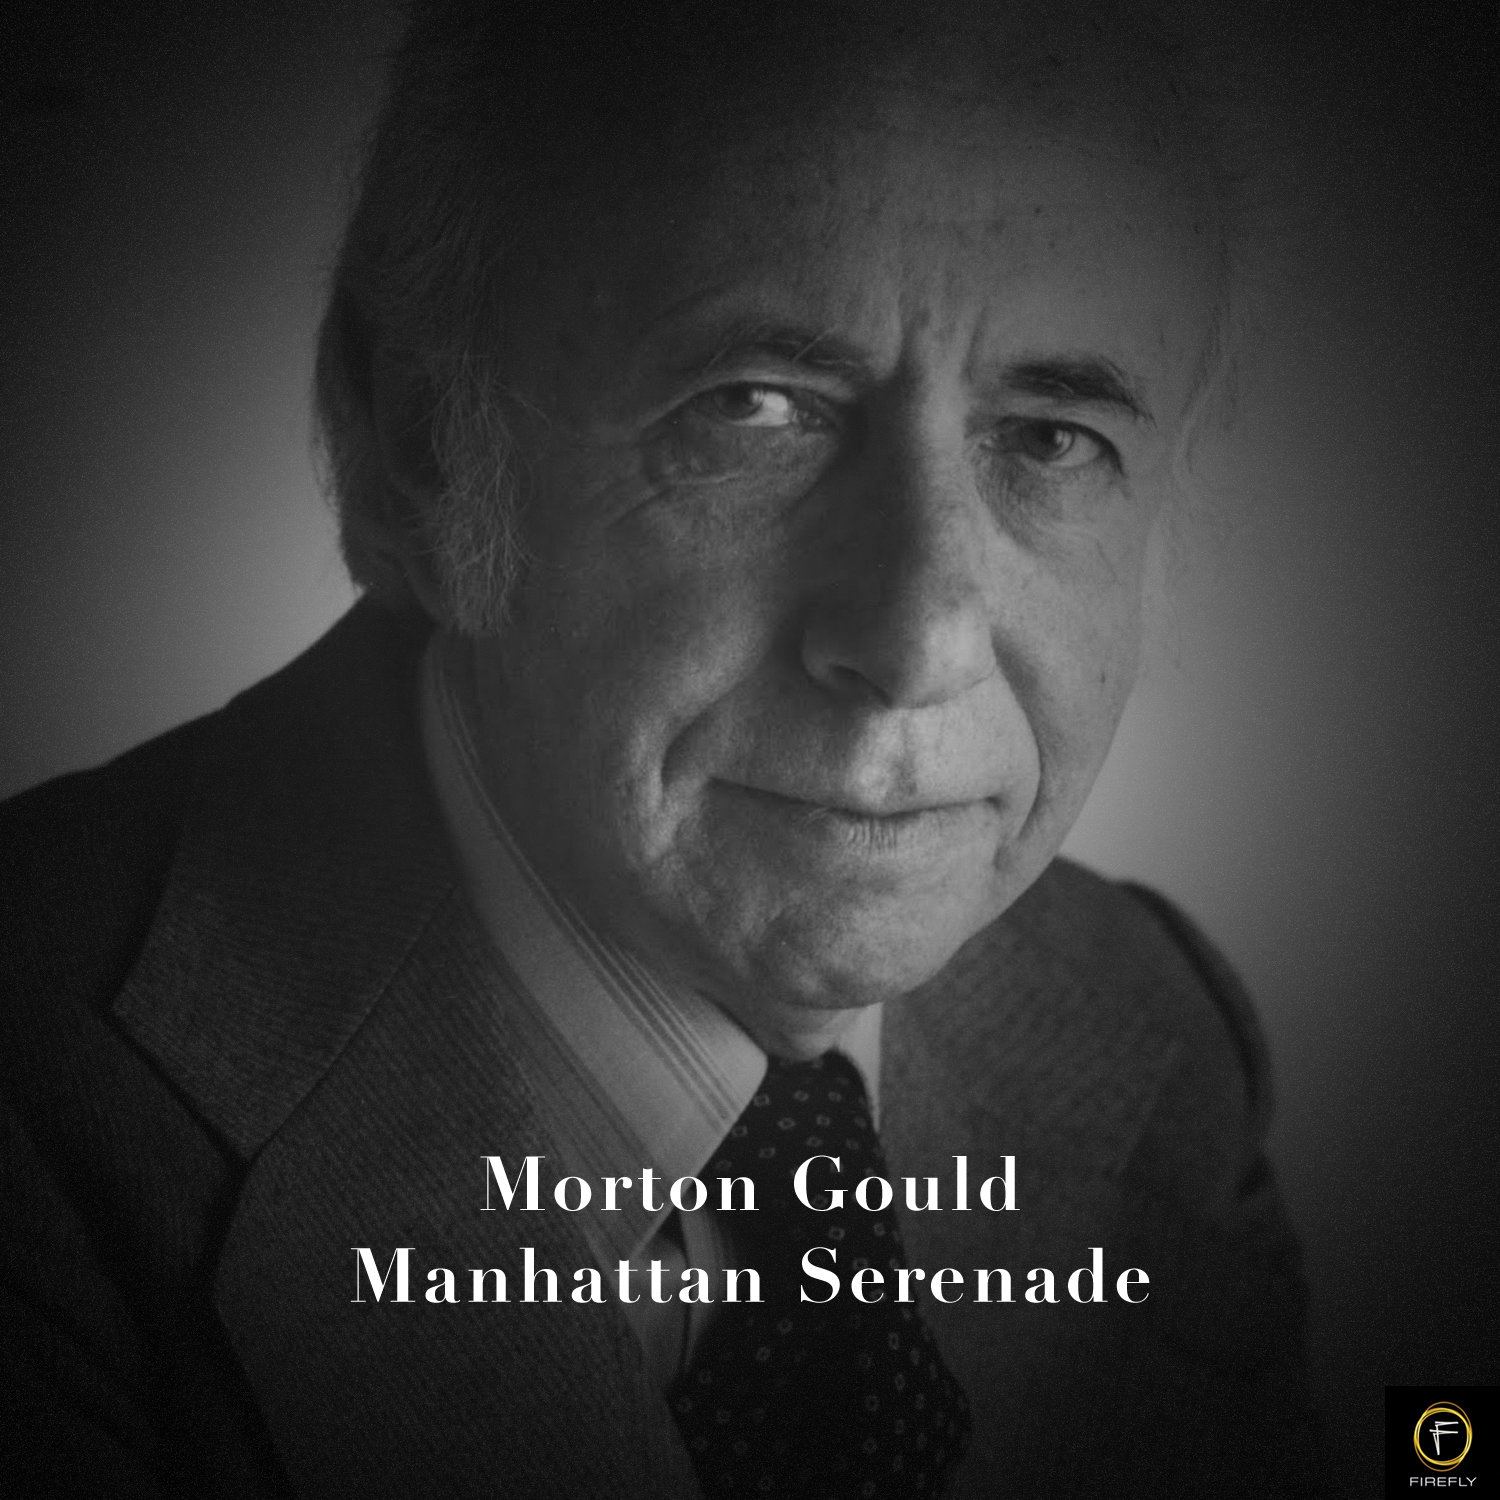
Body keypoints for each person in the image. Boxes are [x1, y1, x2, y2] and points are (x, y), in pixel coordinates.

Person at [0, 1, 1321, 1495]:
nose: (919, 643)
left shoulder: (1156, 1020)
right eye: (755, 408)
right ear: (416, 445)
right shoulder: (41, 1122)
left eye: (1052, 438)